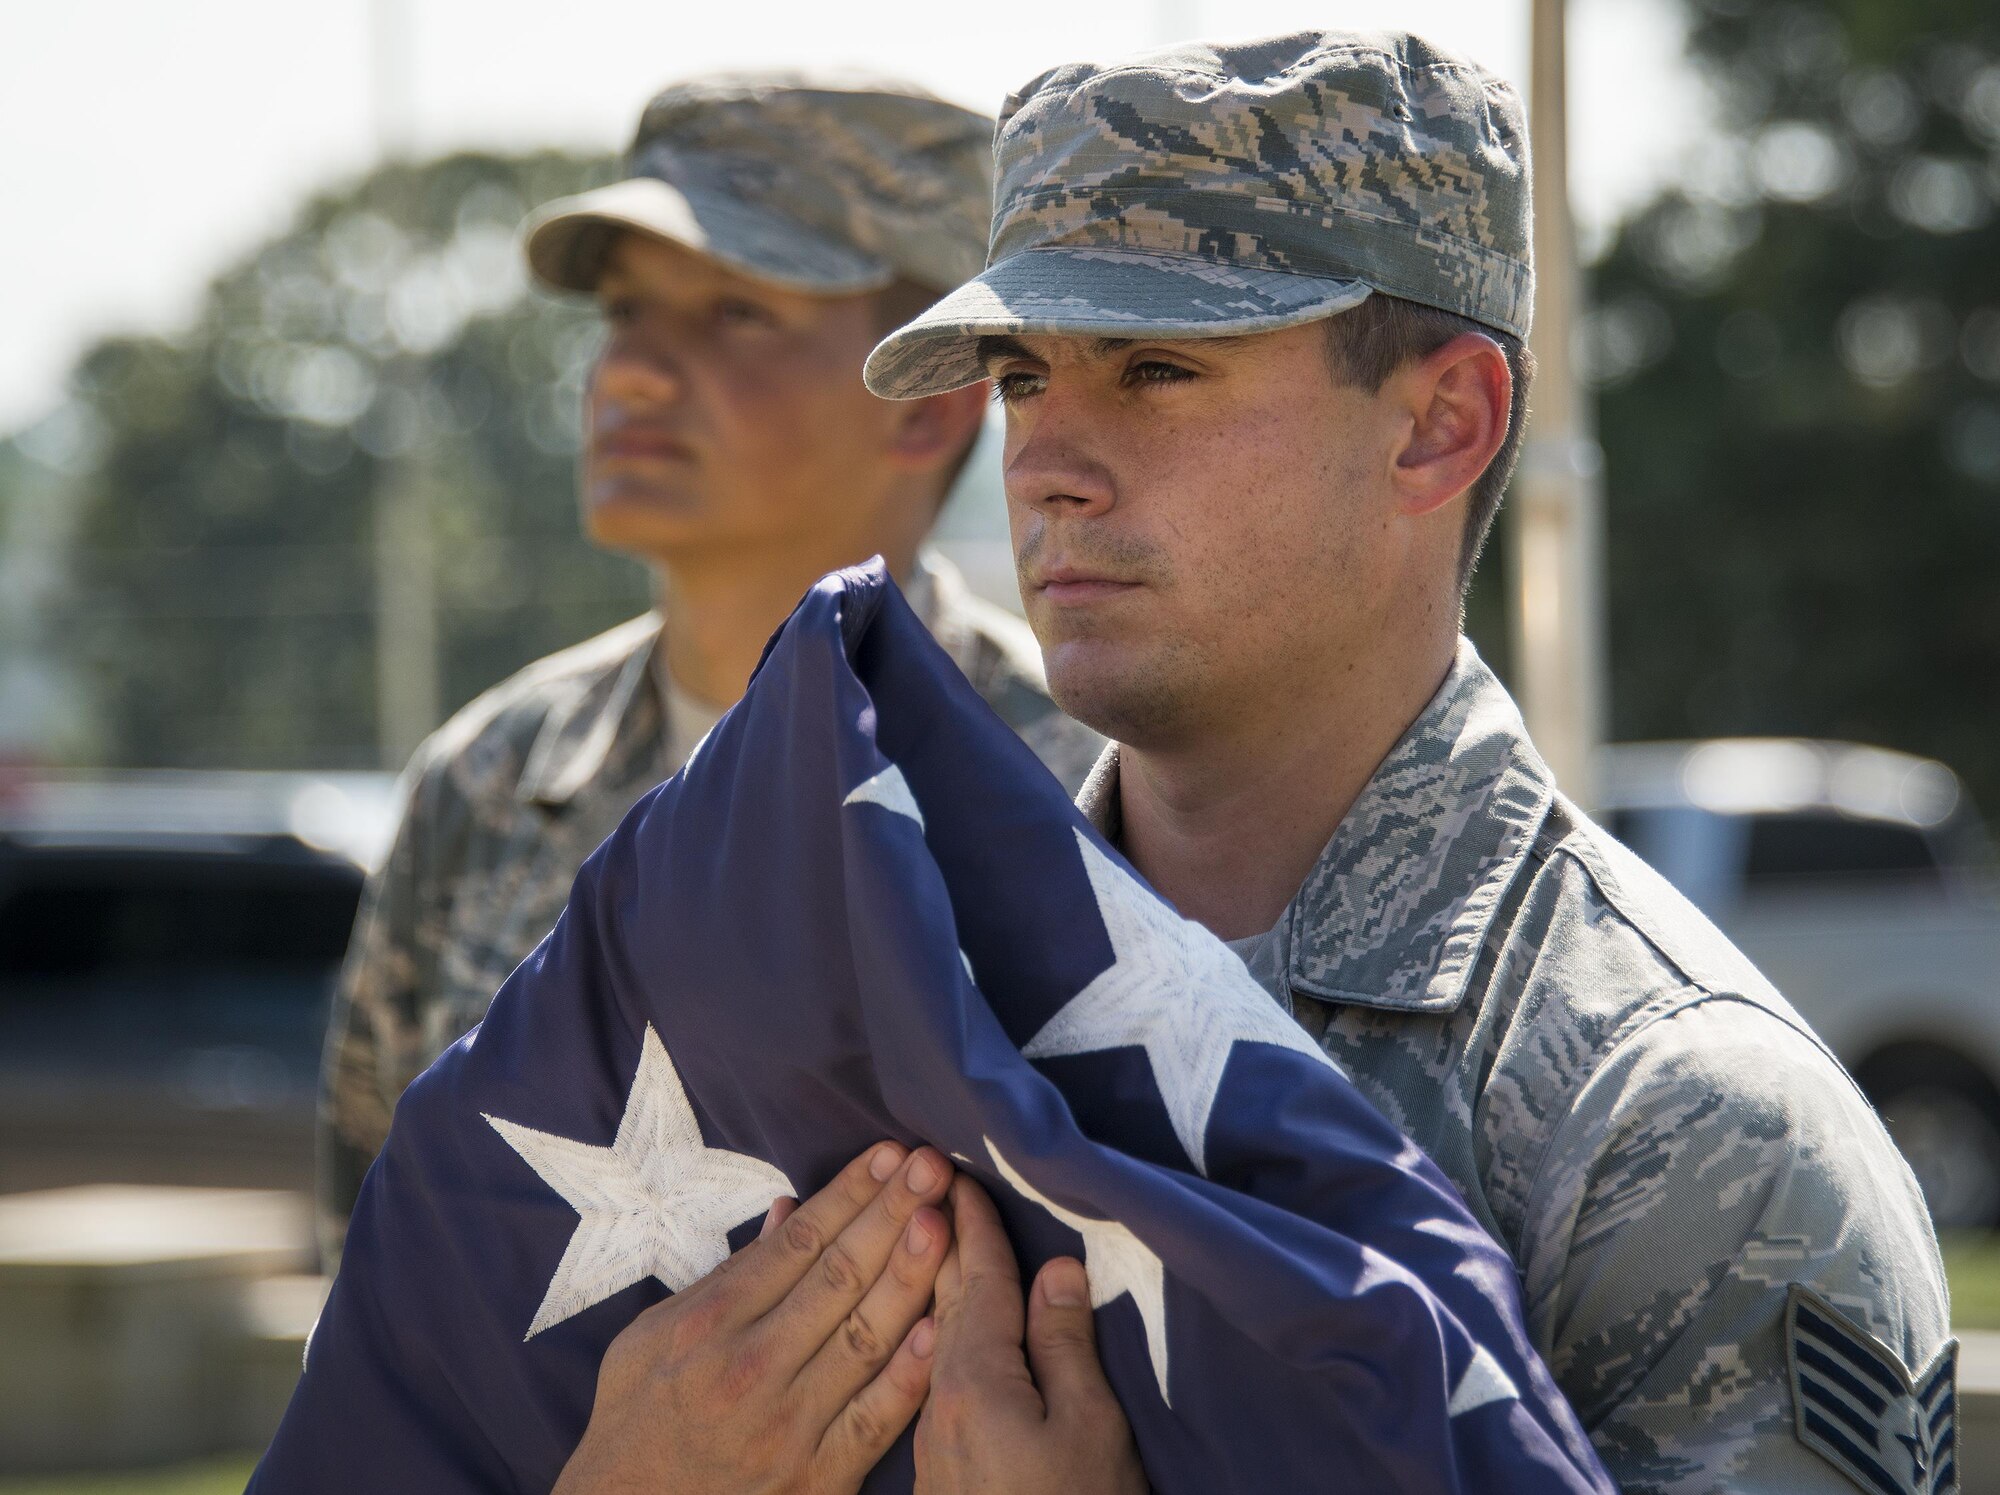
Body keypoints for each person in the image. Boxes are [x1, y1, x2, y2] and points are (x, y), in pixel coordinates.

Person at [554, 30, 1957, 1495]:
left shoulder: (1680, 1129)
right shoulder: (900, 973)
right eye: (1025, 376)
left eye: (1158, 368)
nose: (1044, 463)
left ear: (1440, 423)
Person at [318, 73, 1103, 1266]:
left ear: (929, 404)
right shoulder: (484, 785)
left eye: (733, 313)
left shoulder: (1077, 791)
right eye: (624, 312)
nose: (628, 372)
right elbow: (374, 1278)